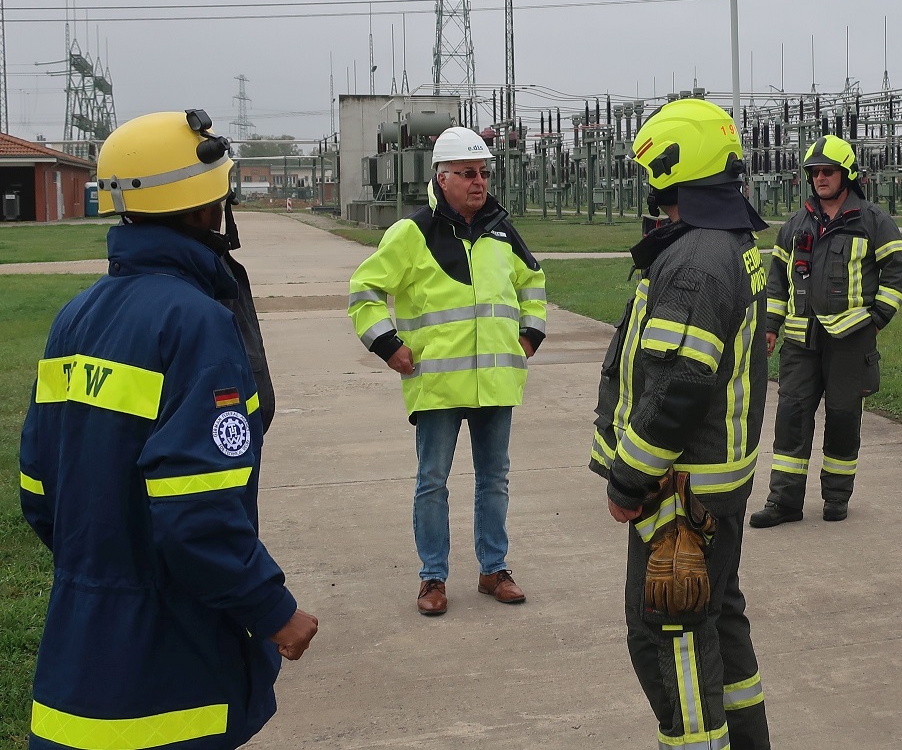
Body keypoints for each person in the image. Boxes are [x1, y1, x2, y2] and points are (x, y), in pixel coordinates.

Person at [19, 110, 318, 749]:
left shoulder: (76, 316)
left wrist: (104, 569)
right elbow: (197, 509)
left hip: (81, 650)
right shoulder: (196, 322)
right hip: (166, 666)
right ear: (208, 209)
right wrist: (272, 610)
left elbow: (38, 491)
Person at [589, 97, 773, 750]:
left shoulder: (695, 257)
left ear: (672, 169)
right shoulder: (725, 243)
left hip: (677, 489)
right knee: (716, 616)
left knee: (668, 637)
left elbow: (678, 383)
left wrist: (627, 479)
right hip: (712, 486)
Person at [348, 125, 546, 616]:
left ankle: (493, 569)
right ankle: (432, 578)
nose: (479, 182)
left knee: (493, 479)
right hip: (437, 383)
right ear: (441, 178)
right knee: (432, 480)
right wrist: (387, 345)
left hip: (496, 382)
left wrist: (528, 337)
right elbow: (364, 291)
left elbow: (533, 283)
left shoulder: (502, 231)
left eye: (483, 173)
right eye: (467, 174)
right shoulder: (412, 233)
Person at [752, 135, 902, 527]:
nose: (821, 178)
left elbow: (901, 269)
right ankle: (784, 501)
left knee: (843, 417)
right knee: (791, 417)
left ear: (847, 175)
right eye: (815, 172)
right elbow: (777, 281)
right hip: (801, 342)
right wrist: (771, 326)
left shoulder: (872, 220)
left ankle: (836, 496)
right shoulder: (795, 224)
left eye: (828, 171)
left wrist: (876, 318)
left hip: (850, 341)